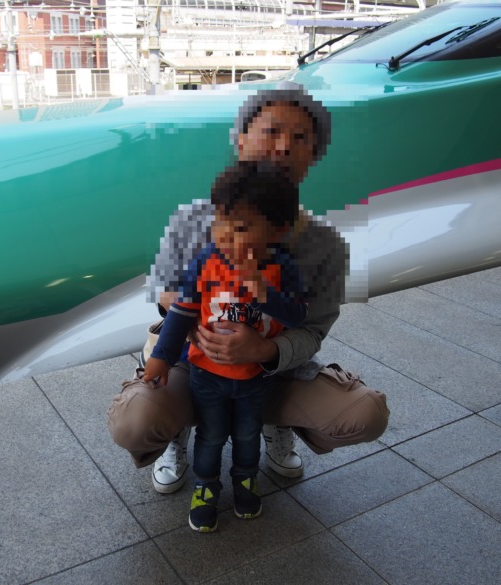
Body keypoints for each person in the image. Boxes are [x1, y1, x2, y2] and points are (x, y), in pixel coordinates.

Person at [108, 83, 390, 498]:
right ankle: (177, 432)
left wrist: (264, 351)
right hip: (196, 364)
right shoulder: (193, 219)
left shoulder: (325, 244)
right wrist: (196, 309)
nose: (282, 147)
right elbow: (162, 289)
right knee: (135, 420)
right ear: (240, 140)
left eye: (299, 139)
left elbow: (312, 331)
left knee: (367, 414)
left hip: (273, 373)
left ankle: (277, 426)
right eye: (271, 131)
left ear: (314, 156)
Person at [143, 161, 308, 532]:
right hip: (207, 374)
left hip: (256, 377)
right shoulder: (206, 262)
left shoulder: (284, 268)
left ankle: (246, 479)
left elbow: (298, 316)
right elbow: (182, 312)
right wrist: (160, 359)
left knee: (248, 432)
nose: (226, 236)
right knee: (212, 433)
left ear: (278, 231)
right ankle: (205, 487)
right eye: (222, 222)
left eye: (242, 228)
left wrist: (263, 293)